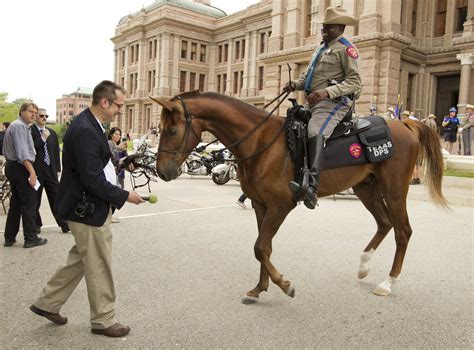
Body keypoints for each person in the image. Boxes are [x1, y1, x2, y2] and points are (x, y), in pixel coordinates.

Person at [30, 81, 144, 338]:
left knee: (81, 259)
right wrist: (126, 195)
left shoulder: (91, 125)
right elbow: (91, 179)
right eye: (119, 105)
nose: (120, 111)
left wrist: (123, 164)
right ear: (105, 102)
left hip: (86, 207)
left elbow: (96, 164)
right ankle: (104, 320)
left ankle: (47, 303)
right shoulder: (85, 129)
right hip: (87, 209)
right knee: (99, 263)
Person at [283, 7, 362, 209]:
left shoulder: (346, 49)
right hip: (314, 102)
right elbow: (309, 77)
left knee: (315, 130)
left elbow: (355, 82)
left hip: (335, 103)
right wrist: (295, 85)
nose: (324, 29)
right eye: (324, 26)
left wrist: (327, 92)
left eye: (329, 26)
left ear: (341, 28)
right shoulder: (320, 48)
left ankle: (312, 186)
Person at [3, 103, 47, 248]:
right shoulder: (20, 126)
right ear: (22, 111)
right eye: (30, 111)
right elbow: (23, 154)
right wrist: (32, 172)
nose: (33, 114)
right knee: (29, 203)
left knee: (16, 203)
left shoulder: (17, 126)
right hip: (21, 167)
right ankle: (31, 238)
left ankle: (9, 237)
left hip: (13, 167)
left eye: (35, 112)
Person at [31, 110, 70, 234]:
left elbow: (55, 153)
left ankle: (64, 223)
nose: (44, 118)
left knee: (57, 197)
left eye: (46, 116)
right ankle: (36, 224)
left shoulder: (51, 132)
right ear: (35, 116)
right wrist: (42, 139)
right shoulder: (29, 132)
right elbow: (31, 150)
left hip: (50, 170)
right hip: (36, 170)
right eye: (41, 116)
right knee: (35, 199)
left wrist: (57, 169)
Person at [107, 127, 128, 223]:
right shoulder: (109, 144)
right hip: (113, 172)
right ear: (111, 135)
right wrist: (117, 149)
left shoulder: (117, 145)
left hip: (120, 171)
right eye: (116, 134)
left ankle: (110, 215)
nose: (118, 136)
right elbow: (110, 158)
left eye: (119, 134)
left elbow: (125, 157)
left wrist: (124, 150)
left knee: (119, 191)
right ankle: (108, 216)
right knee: (114, 194)